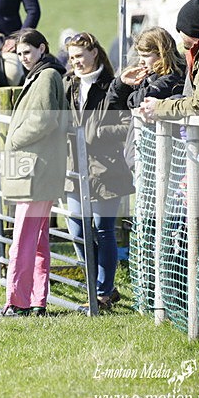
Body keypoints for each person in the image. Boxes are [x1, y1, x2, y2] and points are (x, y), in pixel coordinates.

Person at [0, 29, 67, 317]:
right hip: (40, 170)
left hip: (37, 171)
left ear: (42, 48)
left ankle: (17, 302)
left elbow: (43, 120)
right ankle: (37, 300)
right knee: (37, 242)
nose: (23, 58)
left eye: (28, 52)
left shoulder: (47, 76)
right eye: (20, 54)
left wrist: (12, 139)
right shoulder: (42, 74)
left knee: (22, 241)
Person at [63, 32, 133, 309]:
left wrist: (94, 133)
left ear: (94, 52)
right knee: (77, 228)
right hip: (75, 166)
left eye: (79, 55)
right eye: (71, 58)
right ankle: (98, 285)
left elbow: (128, 124)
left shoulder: (114, 85)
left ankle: (103, 292)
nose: (76, 62)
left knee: (103, 230)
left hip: (108, 168)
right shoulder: (69, 84)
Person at [107, 26, 185, 168]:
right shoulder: (147, 77)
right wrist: (122, 83)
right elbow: (114, 103)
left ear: (162, 54)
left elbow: (139, 100)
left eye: (146, 56)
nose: (141, 61)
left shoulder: (174, 78)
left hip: (162, 159)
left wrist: (132, 94)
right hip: (140, 157)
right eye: (140, 55)